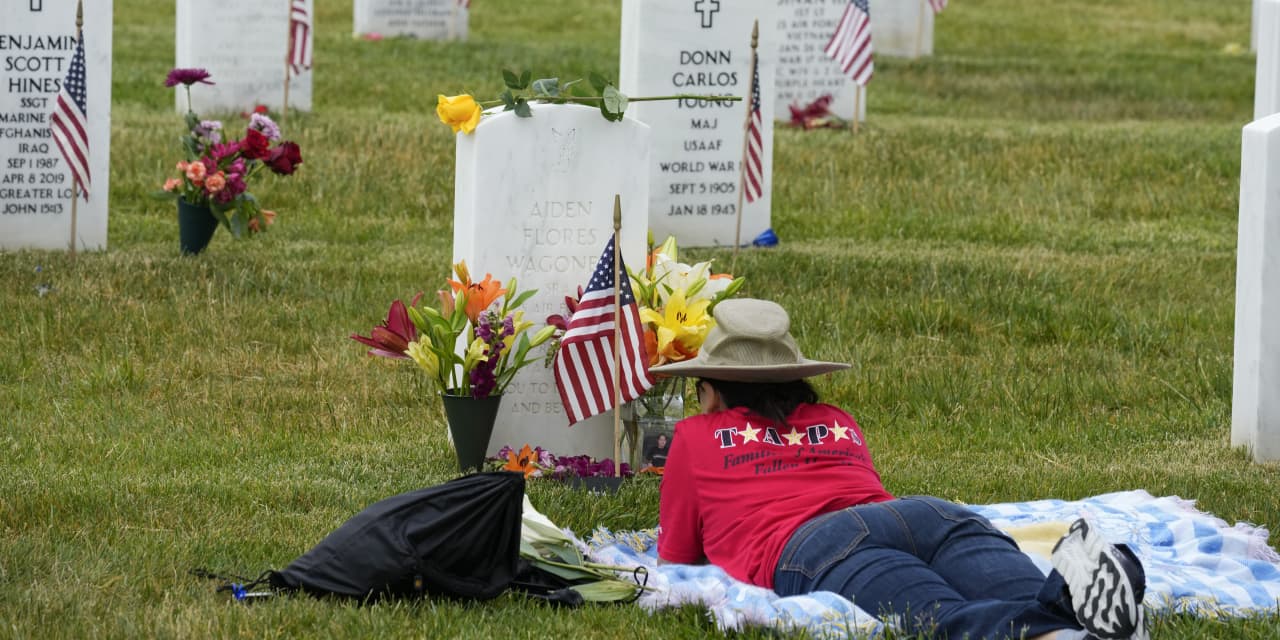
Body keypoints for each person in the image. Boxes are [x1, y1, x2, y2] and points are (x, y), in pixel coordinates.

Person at [651, 298, 1148, 640]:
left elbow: (677, 560)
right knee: (1026, 595)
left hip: (816, 544)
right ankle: (1084, 589)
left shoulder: (694, 436)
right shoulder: (836, 419)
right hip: (927, 515)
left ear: (710, 390)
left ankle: (1061, 634)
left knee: (941, 620)